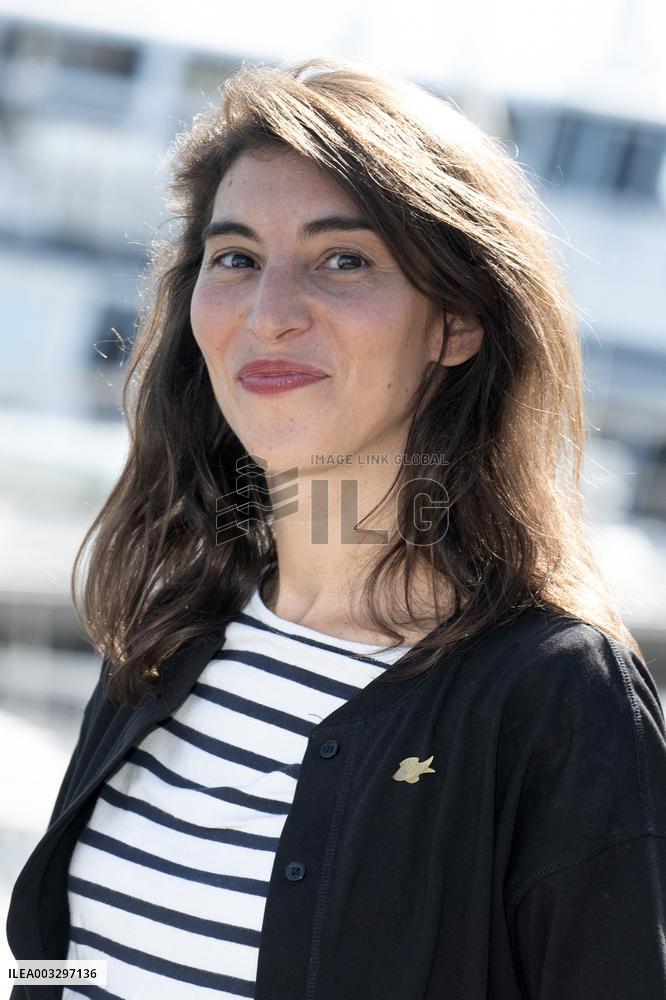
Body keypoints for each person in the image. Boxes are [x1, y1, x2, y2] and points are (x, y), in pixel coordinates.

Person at [7, 56, 666, 1000]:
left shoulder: (555, 701)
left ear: (457, 323)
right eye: (234, 258)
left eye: (342, 260)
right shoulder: (167, 638)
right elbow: (67, 953)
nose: (270, 314)